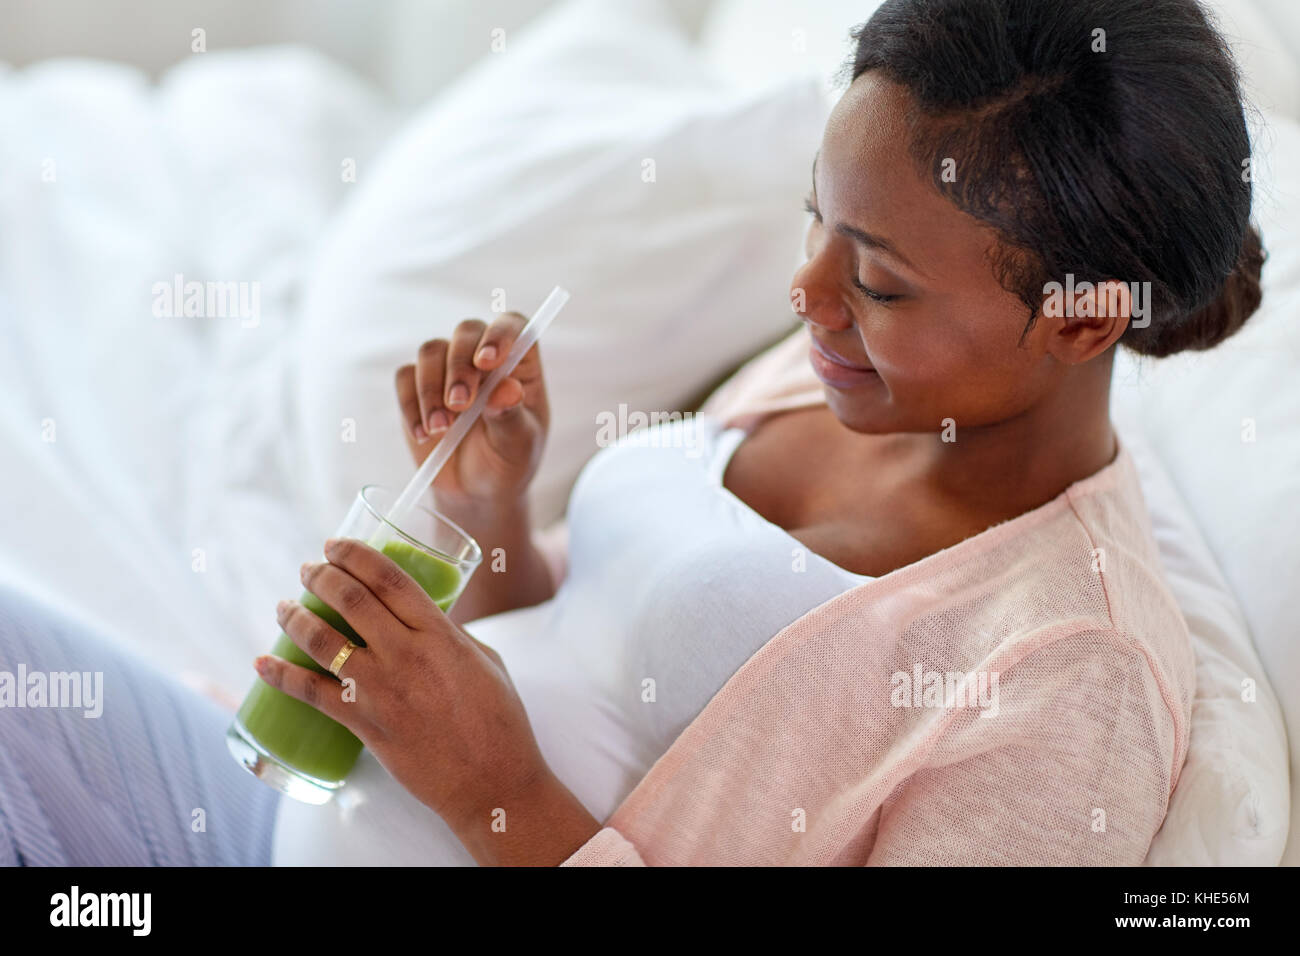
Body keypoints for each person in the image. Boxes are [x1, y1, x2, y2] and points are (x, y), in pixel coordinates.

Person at [0, 0, 1264, 866]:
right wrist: (497, 512)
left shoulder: (1069, 680)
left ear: (1080, 323)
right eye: (814, 221)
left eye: (876, 281)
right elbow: (580, 651)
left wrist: (491, 789)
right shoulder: (832, 379)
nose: (806, 294)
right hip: (272, 819)